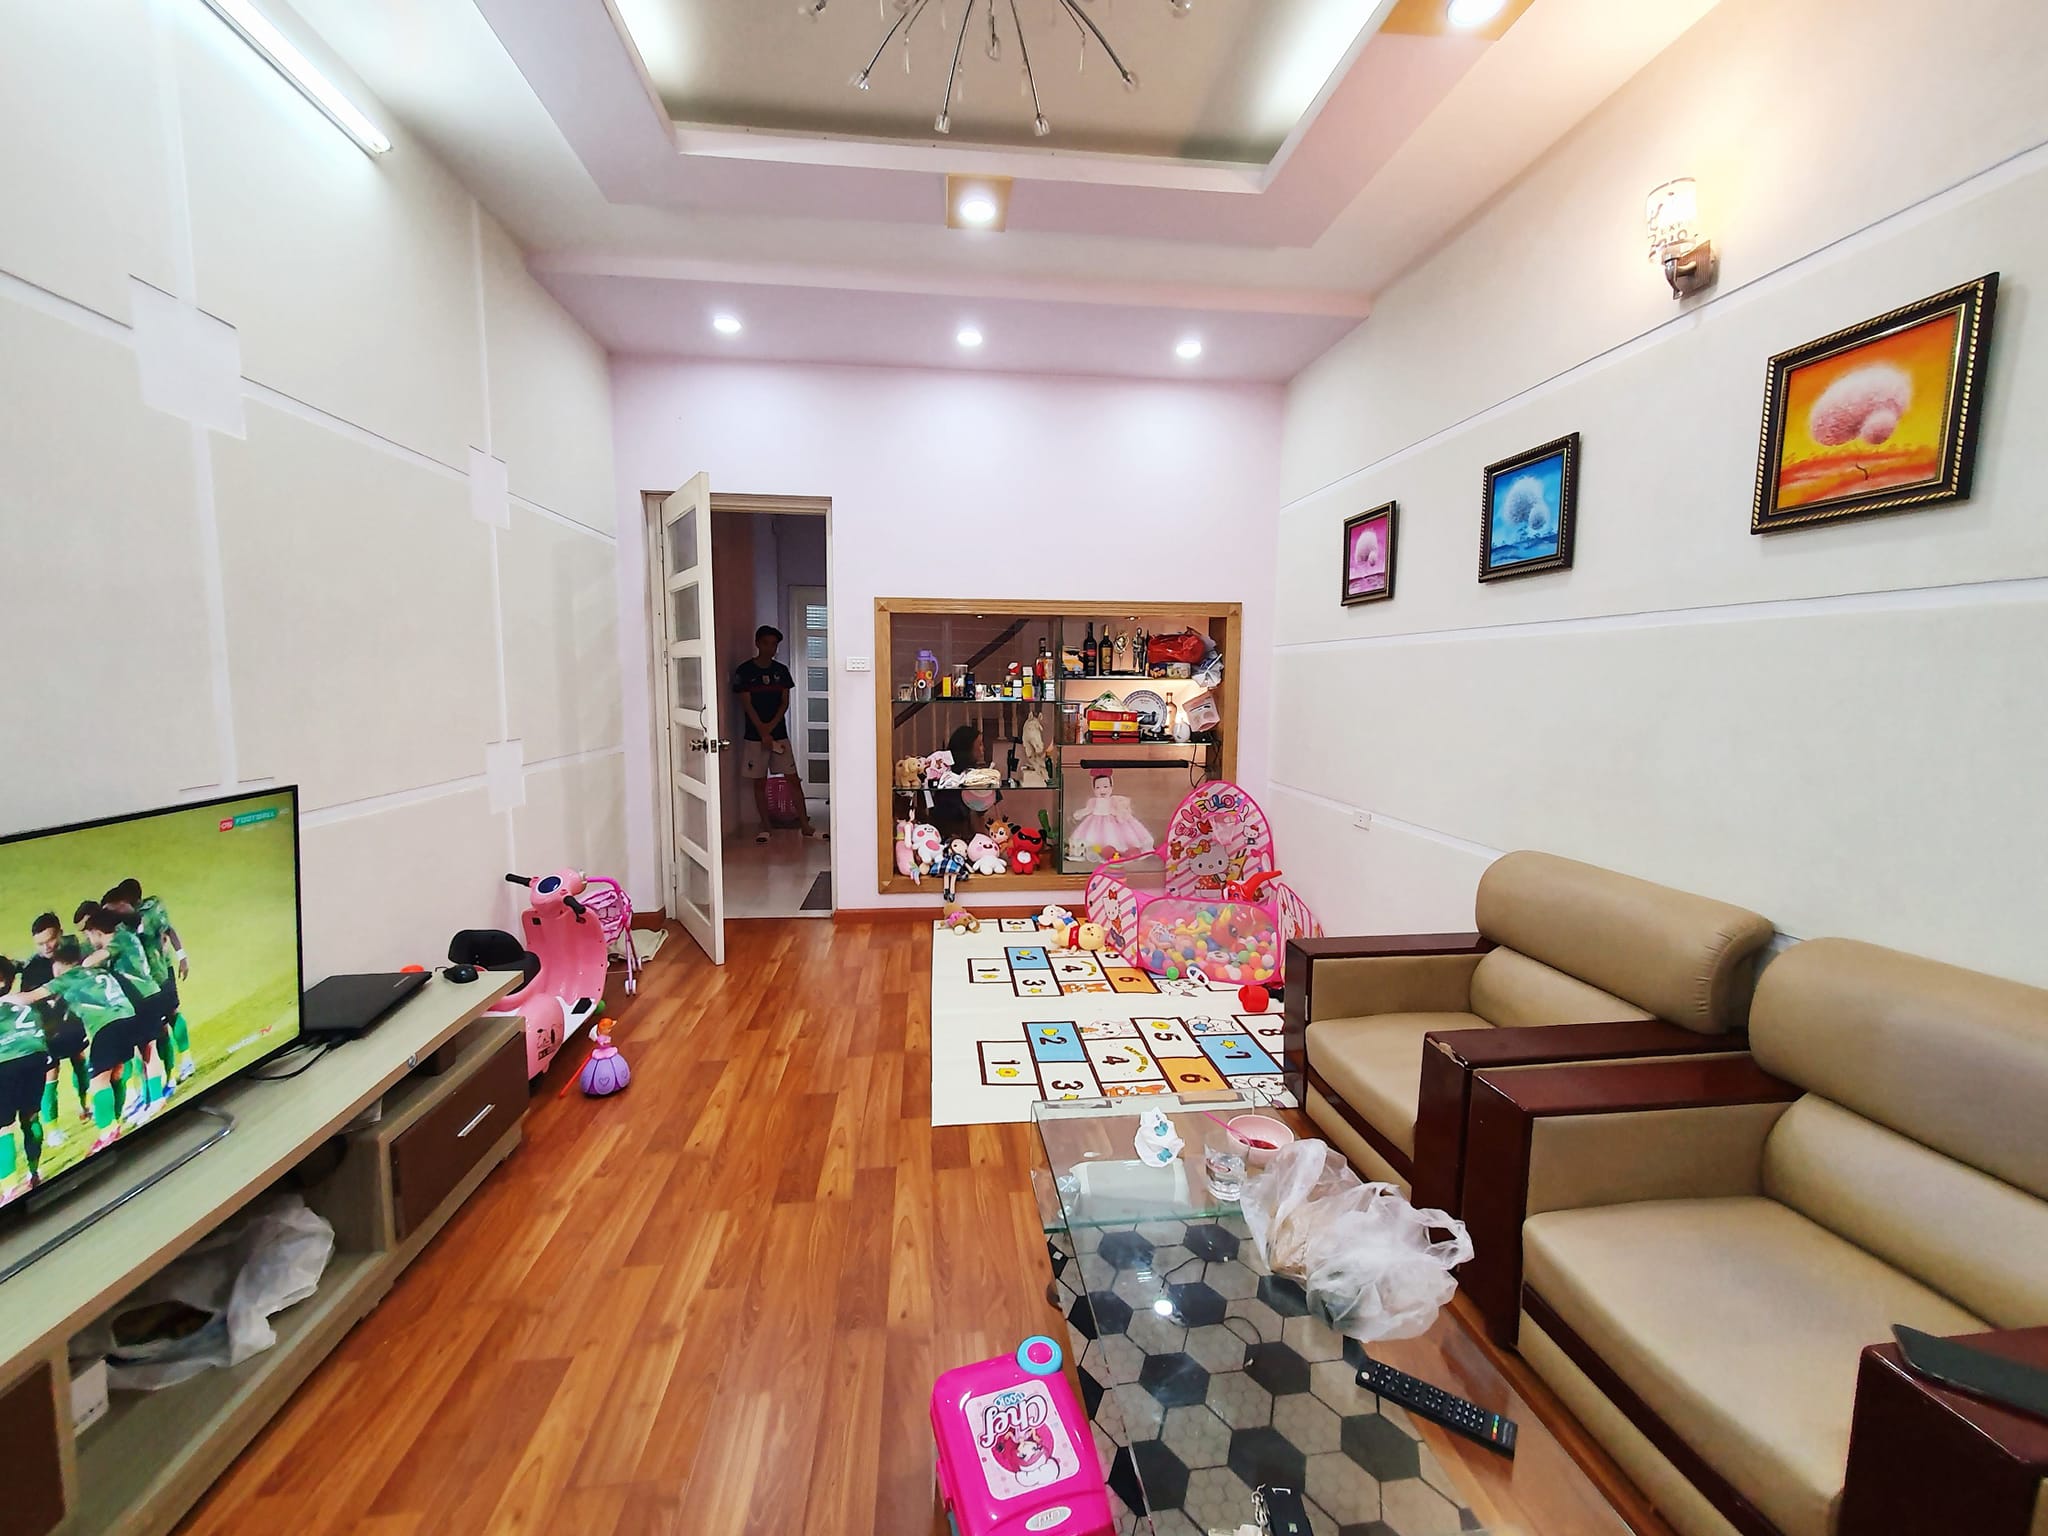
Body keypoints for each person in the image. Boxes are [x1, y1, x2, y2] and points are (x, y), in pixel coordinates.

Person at [12, 938, 143, 1150]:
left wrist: (4, 1000)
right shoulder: (97, 970)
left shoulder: (67, 976)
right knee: (116, 1073)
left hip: (106, 1026)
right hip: (129, 1018)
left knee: (98, 1081)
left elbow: (29, 997)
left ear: (60, 965)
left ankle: (107, 1131)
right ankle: (117, 1120)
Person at [730, 624, 821, 844]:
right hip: (754, 736)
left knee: (793, 779)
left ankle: (805, 825)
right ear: (757, 643)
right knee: (759, 782)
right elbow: (746, 704)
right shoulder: (745, 671)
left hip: (779, 735)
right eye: (766, 643)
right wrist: (762, 731)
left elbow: (784, 703)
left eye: (774, 644)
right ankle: (766, 827)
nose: (770, 648)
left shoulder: (781, 671)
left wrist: (770, 730)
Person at [103, 880, 196, 1083]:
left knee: (170, 1015)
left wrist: (182, 956)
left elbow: (167, 930)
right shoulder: (136, 915)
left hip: (159, 973)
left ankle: (185, 1061)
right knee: (161, 1026)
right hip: (148, 980)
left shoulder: (145, 914)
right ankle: (171, 1072)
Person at [23, 914, 90, 1133]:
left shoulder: (73, 950)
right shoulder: (33, 968)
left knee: (80, 1059)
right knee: (51, 1073)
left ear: (60, 933)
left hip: (72, 1021)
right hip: (48, 1029)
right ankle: (53, 1130)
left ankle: (86, 1104)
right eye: (40, 944)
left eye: (50, 940)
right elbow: (28, 1000)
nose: (46, 947)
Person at [0, 960, 52, 1202]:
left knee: (3, 1128)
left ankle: (10, 1188)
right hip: (35, 1058)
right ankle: (34, 1172)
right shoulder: (25, 1000)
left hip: (6, 1062)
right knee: (31, 1117)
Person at [930, 724, 1000, 846]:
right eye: (979, 744)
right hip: (953, 835)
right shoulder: (949, 777)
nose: (983, 749)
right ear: (967, 748)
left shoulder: (976, 775)